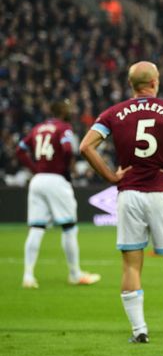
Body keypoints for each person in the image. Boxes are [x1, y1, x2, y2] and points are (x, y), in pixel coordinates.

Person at [79, 61, 163, 344]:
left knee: (131, 264)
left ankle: (139, 331)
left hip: (129, 194)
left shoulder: (113, 113)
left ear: (131, 84)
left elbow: (86, 146)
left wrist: (111, 176)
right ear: (154, 82)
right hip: (162, 192)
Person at [16, 99, 101, 288]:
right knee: (69, 227)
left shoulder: (38, 128)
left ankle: (28, 276)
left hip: (38, 181)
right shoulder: (64, 127)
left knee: (36, 228)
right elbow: (68, 148)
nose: (71, 111)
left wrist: (35, 168)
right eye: (68, 108)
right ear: (62, 111)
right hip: (56, 180)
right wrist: (66, 167)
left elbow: (20, 149)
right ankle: (75, 274)